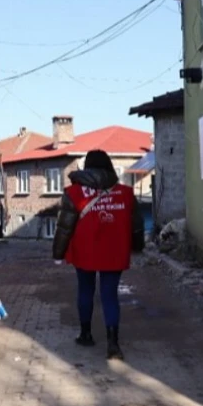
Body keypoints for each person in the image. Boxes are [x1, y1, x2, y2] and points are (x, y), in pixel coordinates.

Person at [52, 150, 144, 360]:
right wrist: (137, 247)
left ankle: (86, 334)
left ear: (87, 167)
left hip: (84, 252)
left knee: (85, 290)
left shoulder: (74, 193)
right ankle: (113, 344)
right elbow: (136, 226)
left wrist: (58, 253)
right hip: (115, 251)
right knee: (110, 295)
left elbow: (65, 227)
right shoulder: (125, 193)